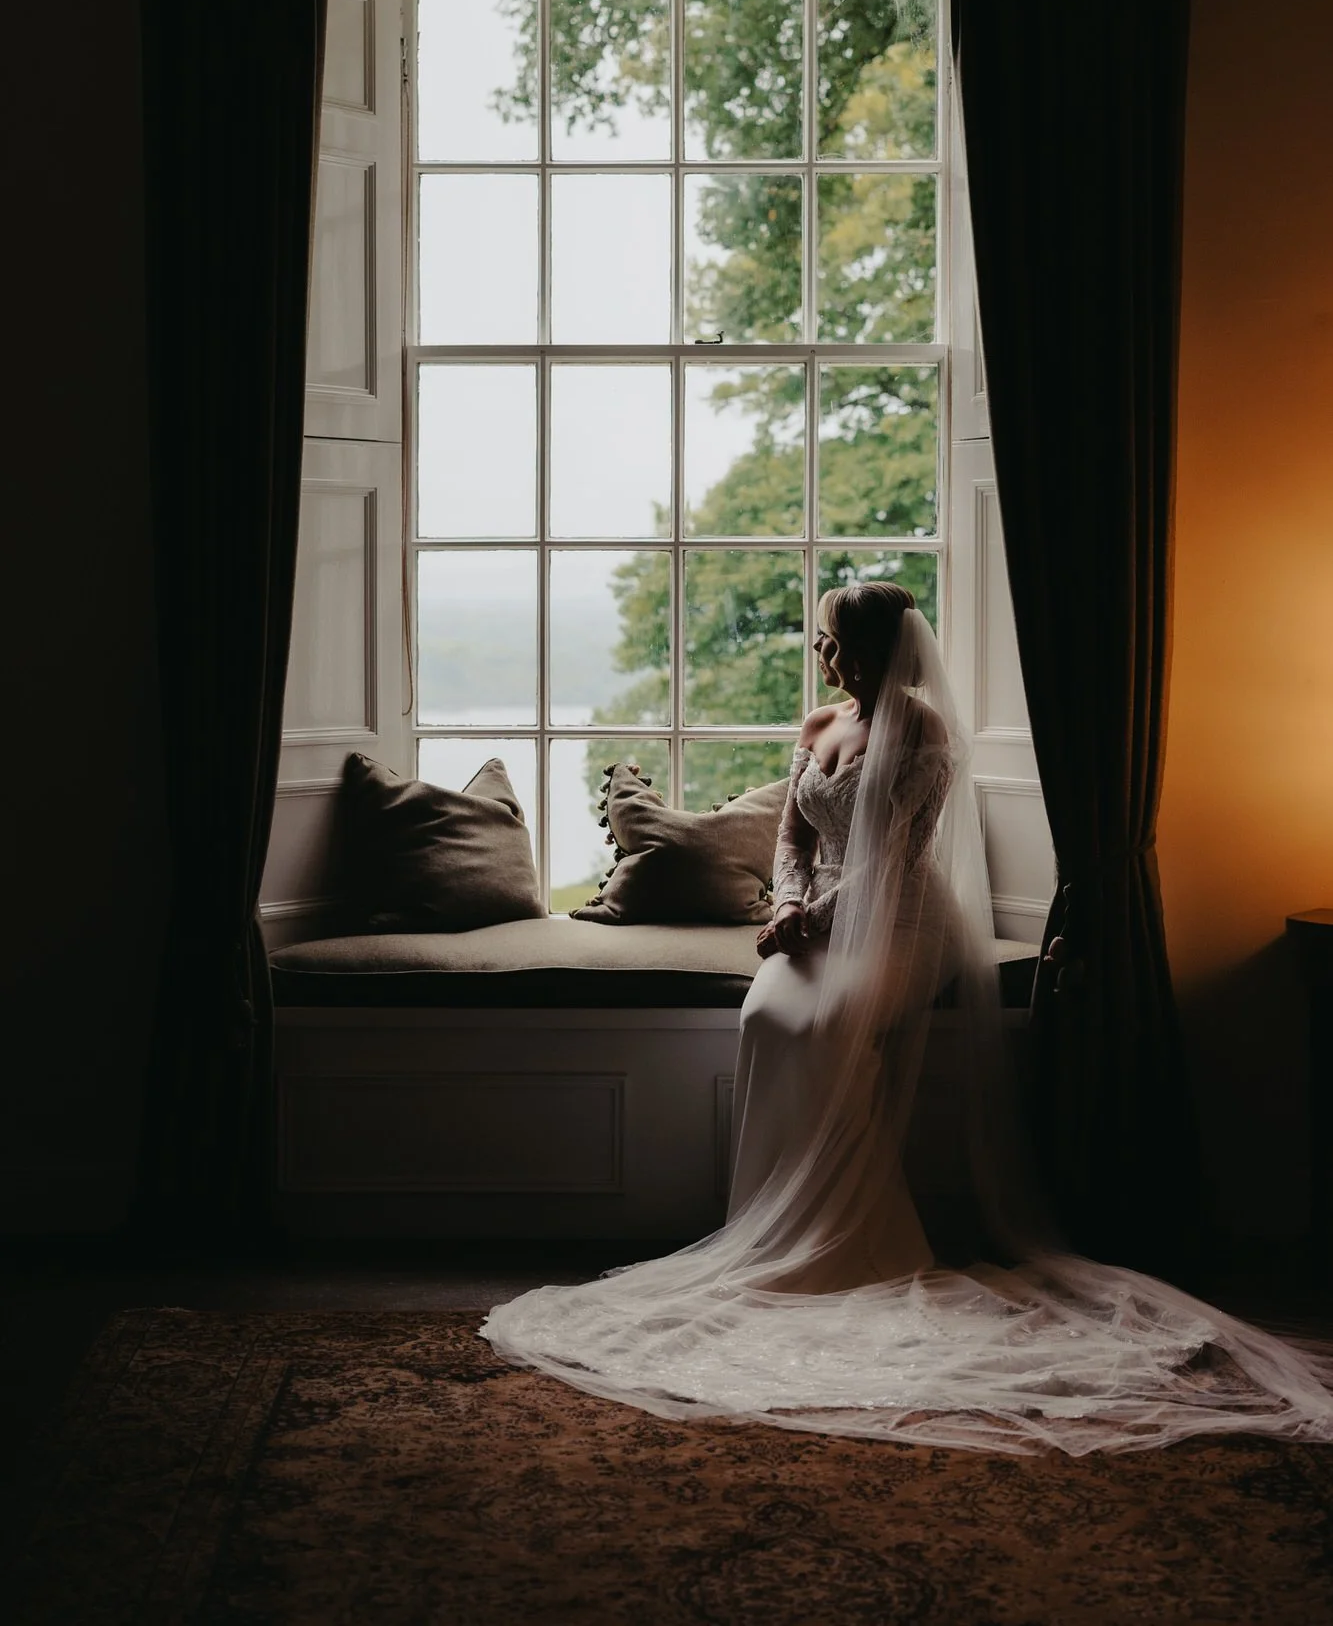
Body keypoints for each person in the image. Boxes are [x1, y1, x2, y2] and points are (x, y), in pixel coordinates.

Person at [481, 586, 1333, 1454]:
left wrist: (812, 918)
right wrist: (785, 902)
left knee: (827, 1029)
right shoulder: (818, 724)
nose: (824, 658)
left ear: (885, 648)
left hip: (896, 922)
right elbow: (793, 836)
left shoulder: (924, 733)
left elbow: (896, 856)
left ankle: (848, 1244)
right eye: (820, 643)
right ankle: (769, 1226)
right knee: (769, 1018)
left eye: (838, 643)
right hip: (809, 916)